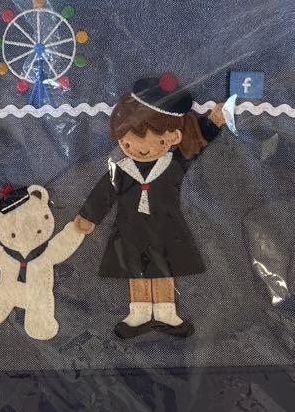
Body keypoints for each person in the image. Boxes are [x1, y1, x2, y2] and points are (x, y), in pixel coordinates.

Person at [74, 75, 225, 339]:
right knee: (136, 270)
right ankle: (140, 312)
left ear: (174, 137)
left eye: (156, 141)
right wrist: (89, 216)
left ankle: (166, 313)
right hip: (130, 230)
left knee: (164, 269)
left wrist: (212, 122)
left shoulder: (173, 164)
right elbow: (104, 193)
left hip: (165, 227)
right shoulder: (122, 169)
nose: (141, 150)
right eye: (128, 142)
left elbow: (196, 147)